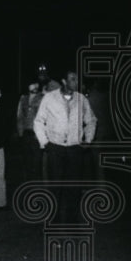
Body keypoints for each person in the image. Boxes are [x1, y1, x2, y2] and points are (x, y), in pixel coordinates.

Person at [33, 69, 97, 225]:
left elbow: (92, 120)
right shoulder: (49, 98)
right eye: (72, 79)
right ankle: (53, 222)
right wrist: (45, 142)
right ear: (64, 81)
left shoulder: (82, 100)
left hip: (75, 149)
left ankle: (72, 222)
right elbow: (38, 121)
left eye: (77, 79)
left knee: (73, 188)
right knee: (55, 188)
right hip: (55, 148)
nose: (76, 82)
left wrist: (87, 140)